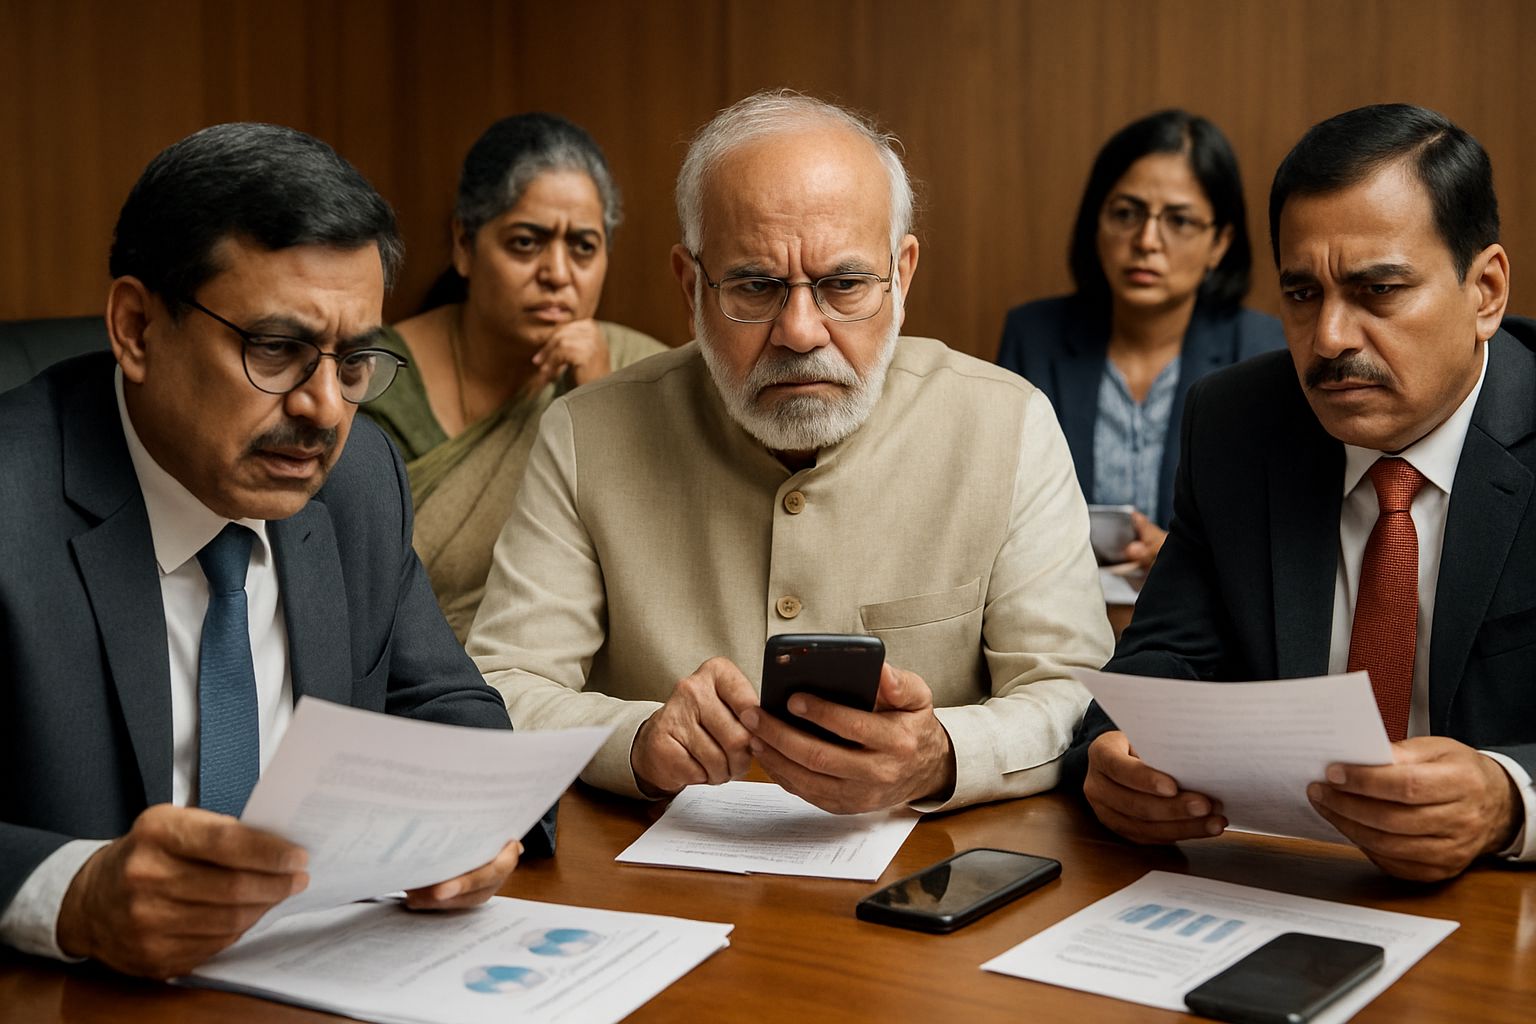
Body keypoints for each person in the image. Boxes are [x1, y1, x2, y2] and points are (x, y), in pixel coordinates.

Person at [0, 123, 553, 979]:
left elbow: (445, 703)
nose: (325, 408)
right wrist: (72, 894)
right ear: (137, 328)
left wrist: (471, 827)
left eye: (355, 359)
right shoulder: (13, 500)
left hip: (325, 974)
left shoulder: (357, 480)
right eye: (277, 349)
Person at [467, 90, 1114, 815]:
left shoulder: (1007, 425)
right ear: (691, 286)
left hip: (930, 866)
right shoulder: (586, 434)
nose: (801, 331)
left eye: (844, 285)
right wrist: (637, 739)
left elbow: (1076, 692)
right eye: (755, 286)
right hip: (650, 870)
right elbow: (501, 685)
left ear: (901, 276)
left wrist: (941, 754)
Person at [1064, 103, 1533, 882]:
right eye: (1303, 294)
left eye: (1377, 290)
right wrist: (1113, 757)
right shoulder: (1237, 424)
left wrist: (1511, 799)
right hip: (1277, 879)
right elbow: (1163, 660)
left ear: (1485, 291)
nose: (1330, 339)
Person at [363, 114, 667, 640]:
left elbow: (658, 582)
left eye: (583, 247)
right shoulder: (373, 378)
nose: (557, 274)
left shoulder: (645, 374)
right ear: (464, 245)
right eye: (526, 243)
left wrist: (597, 395)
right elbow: (351, 580)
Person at [996, 110, 1284, 569]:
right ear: (1097, 222)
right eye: (1126, 214)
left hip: (1204, 608)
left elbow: (1278, 534)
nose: (1147, 240)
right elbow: (1001, 510)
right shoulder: (1034, 337)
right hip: (1062, 601)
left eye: (1179, 220)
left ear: (1219, 243)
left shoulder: (1263, 350)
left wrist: (1179, 559)